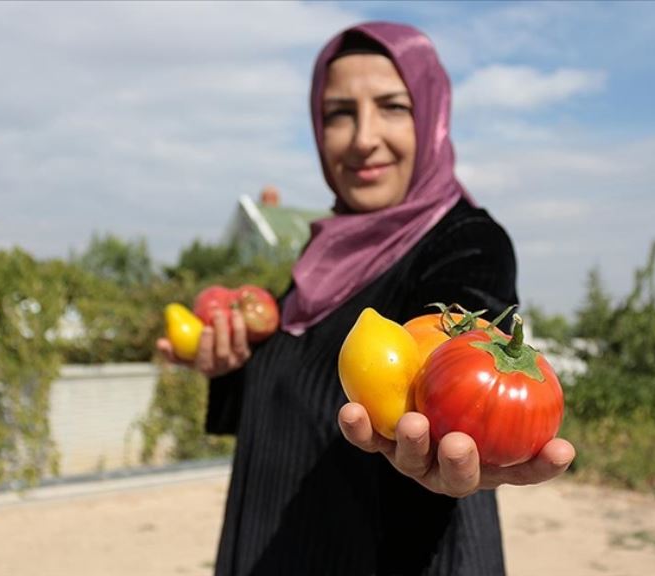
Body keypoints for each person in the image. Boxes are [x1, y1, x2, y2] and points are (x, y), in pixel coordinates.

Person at [157, 21, 575, 576]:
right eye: (339, 113)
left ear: (431, 116)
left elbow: (453, 348)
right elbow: (292, 400)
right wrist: (231, 366)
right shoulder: (324, 258)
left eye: (392, 107)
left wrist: (466, 429)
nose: (362, 137)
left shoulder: (467, 243)